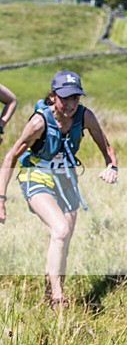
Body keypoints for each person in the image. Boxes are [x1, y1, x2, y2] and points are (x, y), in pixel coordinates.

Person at [0, 71, 118, 307]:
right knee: (61, 229)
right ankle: (57, 298)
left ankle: (51, 290)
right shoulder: (38, 122)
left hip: (66, 177)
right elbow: (11, 156)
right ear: (53, 97)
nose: (71, 104)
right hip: (36, 175)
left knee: (63, 238)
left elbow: (106, 146)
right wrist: (0, 198)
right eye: (65, 98)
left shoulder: (86, 117)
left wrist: (112, 167)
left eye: (76, 97)